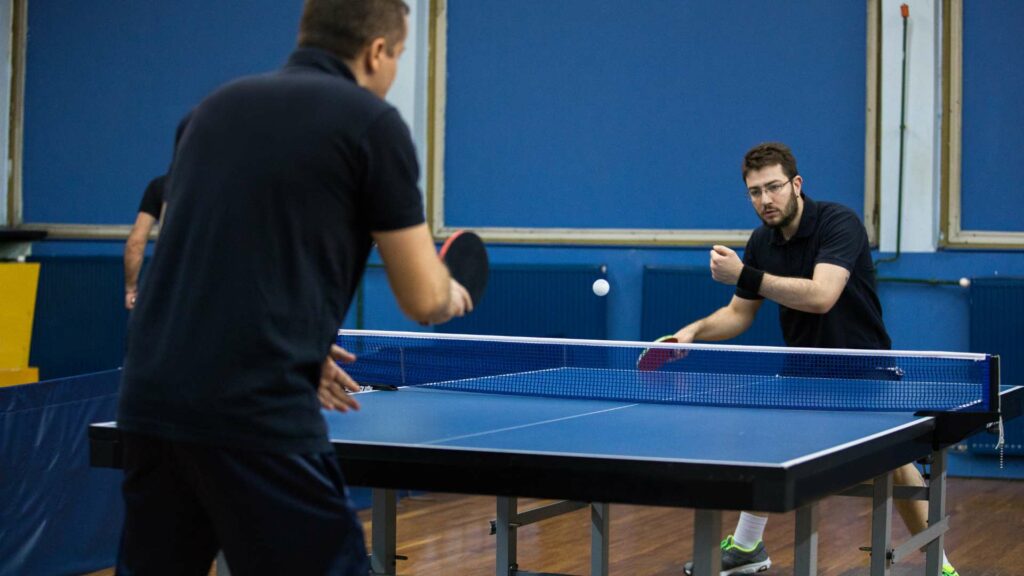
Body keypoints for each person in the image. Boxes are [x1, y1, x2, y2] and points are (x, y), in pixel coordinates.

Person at [115, 1, 473, 574]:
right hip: (252, 412)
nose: (395, 69)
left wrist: (294, 339)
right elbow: (421, 298)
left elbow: (207, 258)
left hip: (151, 403)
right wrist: (450, 292)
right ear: (377, 51)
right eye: (401, 55)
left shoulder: (209, 112)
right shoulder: (372, 124)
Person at [674, 142, 958, 576]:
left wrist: (745, 274)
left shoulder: (837, 222)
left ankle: (938, 565)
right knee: (767, 442)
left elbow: (823, 296)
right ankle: (748, 547)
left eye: (773, 187)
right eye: (754, 192)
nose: (765, 200)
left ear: (796, 184)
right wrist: (693, 332)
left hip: (864, 368)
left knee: (897, 466)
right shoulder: (761, 241)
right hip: (804, 370)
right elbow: (739, 313)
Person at [123, 175, 165, 310]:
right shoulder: (223, 188)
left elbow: (136, 242)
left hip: (169, 283)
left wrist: (131, 290)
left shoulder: (161, 186)